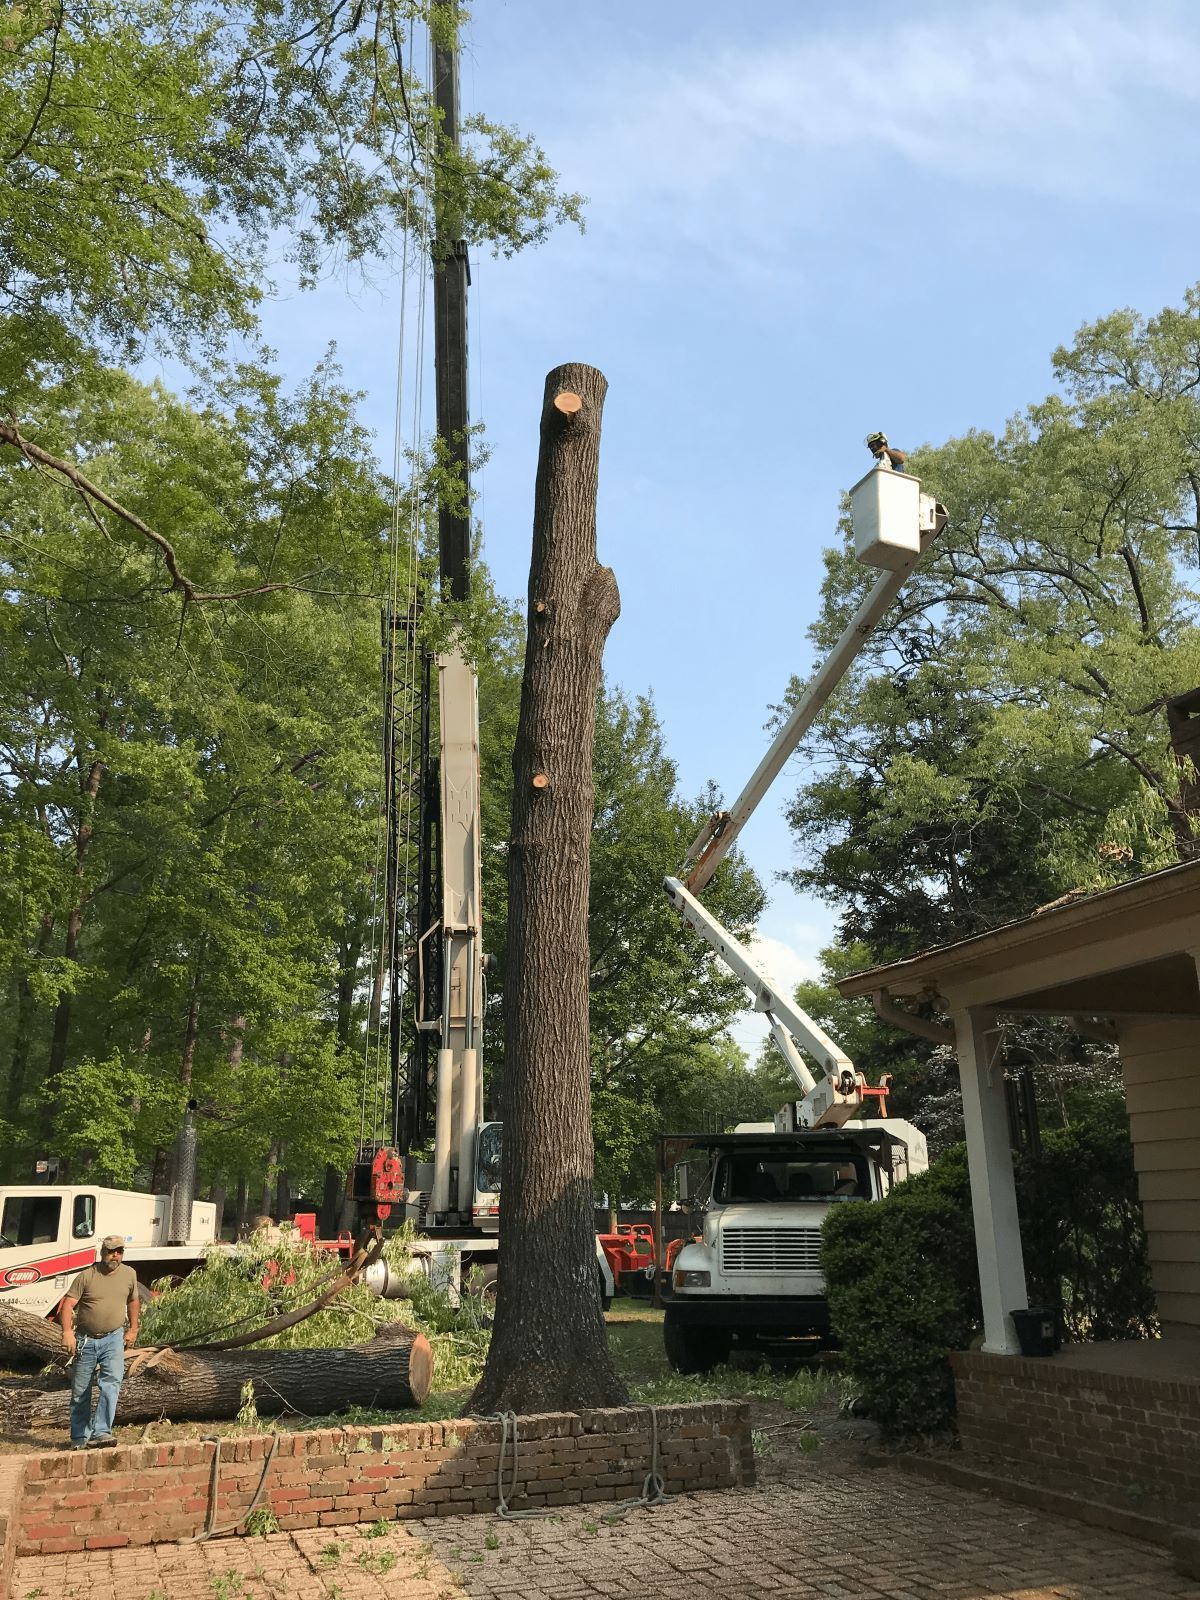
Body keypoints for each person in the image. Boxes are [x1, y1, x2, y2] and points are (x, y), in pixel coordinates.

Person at [58, 1234, 139, 1449]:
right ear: (102, 1252)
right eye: (112, 1251)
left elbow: (133, 1301)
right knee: (80, 1390)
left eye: (119, 1251)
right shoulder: (87, 1276)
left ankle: (101, 1432)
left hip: (114, 1338)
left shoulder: (129, 1274)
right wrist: (67, 1332)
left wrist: (133, 1329)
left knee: (111, 1384)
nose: (115, 1256)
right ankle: (79, 1437)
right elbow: (67, 1305)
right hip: (86, 1340)